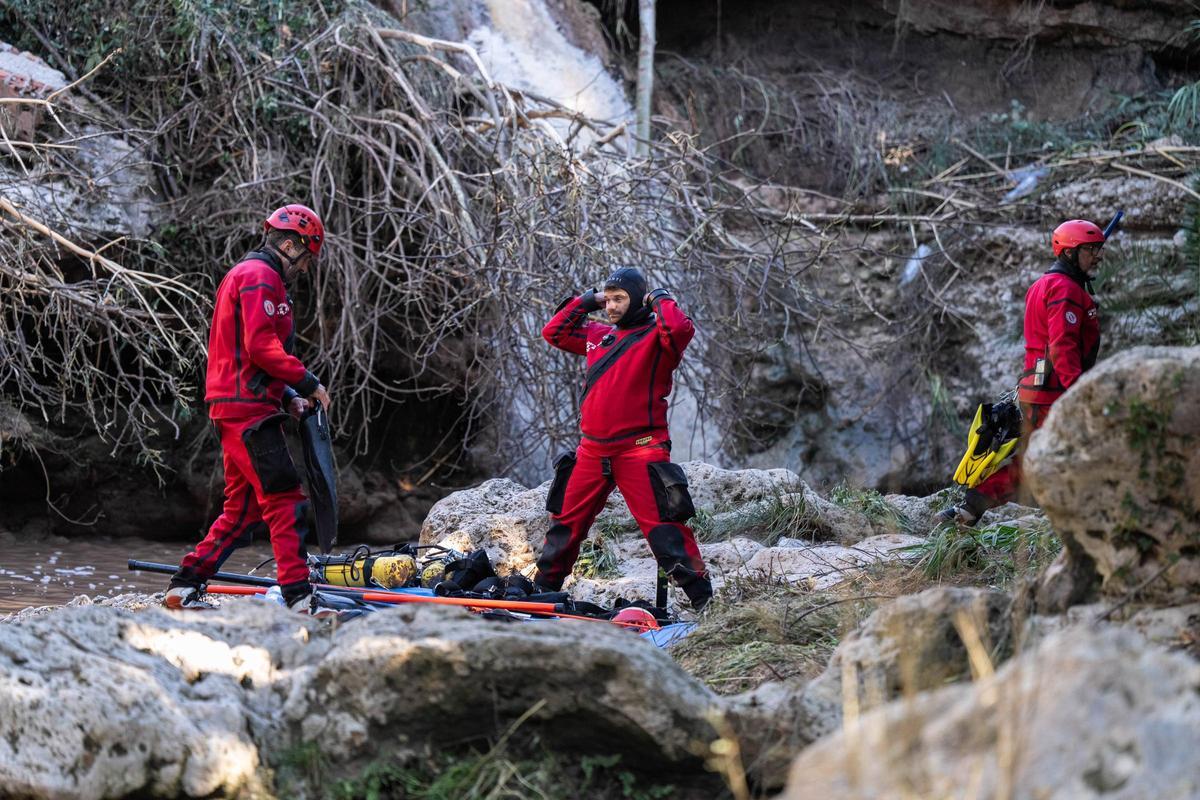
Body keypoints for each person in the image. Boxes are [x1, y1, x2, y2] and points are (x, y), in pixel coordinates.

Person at [165, 204, 335, 615]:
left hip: (243, 405)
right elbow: (261, 347)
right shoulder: (261, 277)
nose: (307, 268)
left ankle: (184, 587)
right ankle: (299, 599)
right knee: (285, 500)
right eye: (308, 257)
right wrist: (309, 384)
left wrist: (287, 398)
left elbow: (246, 353)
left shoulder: (251, 275)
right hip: (247, 411)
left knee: (242, 511)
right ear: (291, 245)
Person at [535, 268, 713, 609]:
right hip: (591, 452)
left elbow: (679, 326)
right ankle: (541, 597)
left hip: (640, 452)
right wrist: (587, 301)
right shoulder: (599, 336)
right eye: (609, 299)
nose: (612, 306)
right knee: (565, 527)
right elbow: (553, 332)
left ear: (638, 299)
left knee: (666, 532)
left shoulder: (659, 339)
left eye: (620, 299)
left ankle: (705, 605)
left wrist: (658, 297)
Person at [940, 218, 1105, 526]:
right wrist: (1078, 393)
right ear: (1070, 253)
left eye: (1099, 248)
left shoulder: (1044, 284)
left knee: (1036, 456)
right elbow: (1062, 346)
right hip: (1054, 393)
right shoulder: (1065, 290)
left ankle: (969, 508)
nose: (1098, 256)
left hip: (1038, 388)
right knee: (1058, 454)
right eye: (1091, 249)